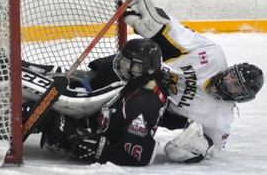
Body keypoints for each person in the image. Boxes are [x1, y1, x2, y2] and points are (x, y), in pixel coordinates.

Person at [115, 0, 264, 163]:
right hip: (146, 72)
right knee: (140, 55)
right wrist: (157, 26)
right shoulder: (212, 54)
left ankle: (121, 135)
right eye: (231, 76)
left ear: (240, 98)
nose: (228, 81)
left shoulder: (220, 118)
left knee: (148, 96)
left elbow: (215, 146)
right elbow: (175, 32)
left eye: (235, 86)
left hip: (156, 106)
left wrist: (201, 148)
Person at [22, 38, 169, 166]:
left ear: (139, 68)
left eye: (126, 63)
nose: (120, 65)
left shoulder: (140, 105)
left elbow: (140, 156)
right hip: (94, 121)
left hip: (88, 137)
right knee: (57, 81)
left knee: (32, 109)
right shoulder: (147, 81)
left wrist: (99, 148)